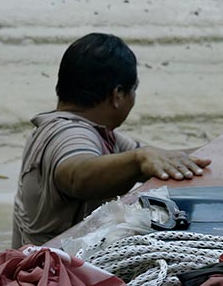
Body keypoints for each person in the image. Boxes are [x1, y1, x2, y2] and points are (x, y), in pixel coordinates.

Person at [11, 33, 211, 247]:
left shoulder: (97, 133)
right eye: (133, 90)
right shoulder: (68, 133)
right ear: (117, 95)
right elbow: (75, 175)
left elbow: (167, 160)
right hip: (48, 273)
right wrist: (138, 159)